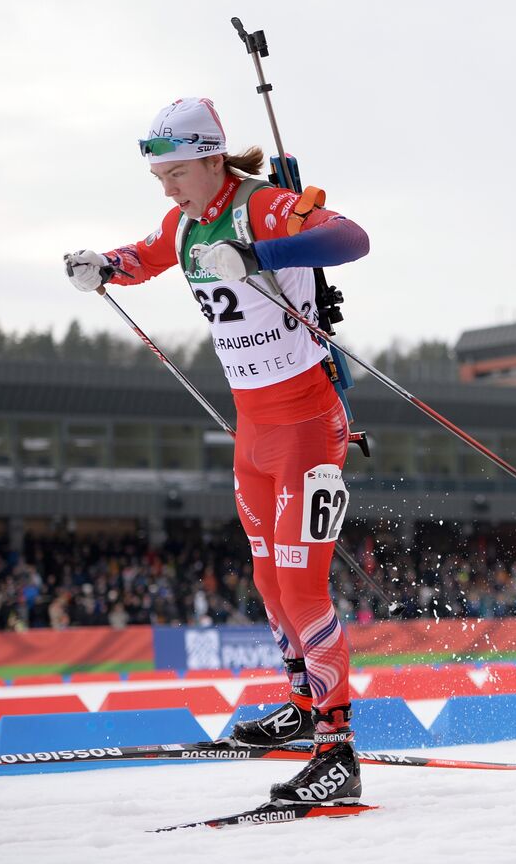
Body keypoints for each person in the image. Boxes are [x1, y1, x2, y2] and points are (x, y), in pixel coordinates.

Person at [63, 97, 370, 807]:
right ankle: (301, 705)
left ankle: (337, 749)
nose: (166, 188)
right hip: (253, 433)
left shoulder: (263, 207)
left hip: (307, 428)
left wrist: (262, 254)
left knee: (302, 588)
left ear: (209, 158)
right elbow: (147, 254)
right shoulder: (185, 222)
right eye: (158, 177)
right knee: (268, 585)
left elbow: (351, 238)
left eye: (174, 173)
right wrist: (103, 265)